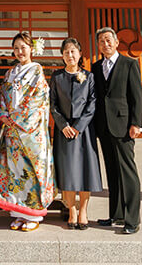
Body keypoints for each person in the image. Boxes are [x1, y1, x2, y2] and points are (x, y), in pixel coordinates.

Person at [0, 32, 55, 232]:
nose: (20, 51)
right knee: (14, 172)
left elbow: (38, 99)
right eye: (16, 48)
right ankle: (18, 213)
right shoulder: (10, 73)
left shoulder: (37, 70)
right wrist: (4, 114)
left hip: (30, 131)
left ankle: (33, 214)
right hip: (12, 131)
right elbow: (3, 96)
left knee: (31, 170)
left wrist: (17, 119)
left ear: (31, 48)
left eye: (23, 47)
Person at [92, 26, 142, 235]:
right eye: (101, 41)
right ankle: (116, 214)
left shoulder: (129, 64)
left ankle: (133, 219)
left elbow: (136, 96)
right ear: (98, 45)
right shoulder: (95, 67)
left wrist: (136, 123)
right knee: (112, 171)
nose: (105, 44)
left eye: (108, 40)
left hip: (123, 126)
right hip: (103, 126)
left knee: (128, 171)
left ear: (116, 42)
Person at [50, 37, 101, 229]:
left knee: (85, 171)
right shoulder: (56, 77)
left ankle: (83, 211)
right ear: (62, 56)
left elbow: (92, 104)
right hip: (64, 132)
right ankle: (71, 210)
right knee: (68, 172)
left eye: (73, 51)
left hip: (84, 131)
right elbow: (52, 104)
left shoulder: (89, 77)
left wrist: (79, 126)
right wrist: (63, 125)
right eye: (66, 52)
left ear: (79, 54)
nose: (70, 55)